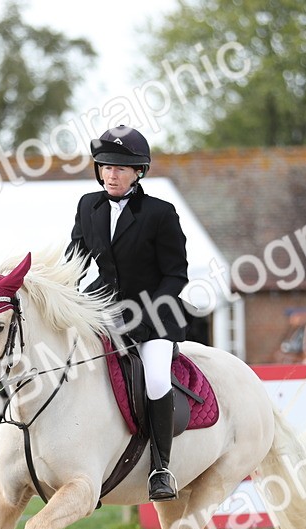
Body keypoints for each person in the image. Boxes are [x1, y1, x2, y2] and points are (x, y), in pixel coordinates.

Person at [67, 125, 189, 501]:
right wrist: (61, 298)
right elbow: (75, 259)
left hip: (153, 315)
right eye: (104, 166)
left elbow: (176, 275)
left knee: (155, 379)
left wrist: (144, 316)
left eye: (120, 168)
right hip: (101, 307)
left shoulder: (160, 213)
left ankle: (161, 469)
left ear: (138, 172)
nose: (111, 174)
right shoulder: (89, 206)